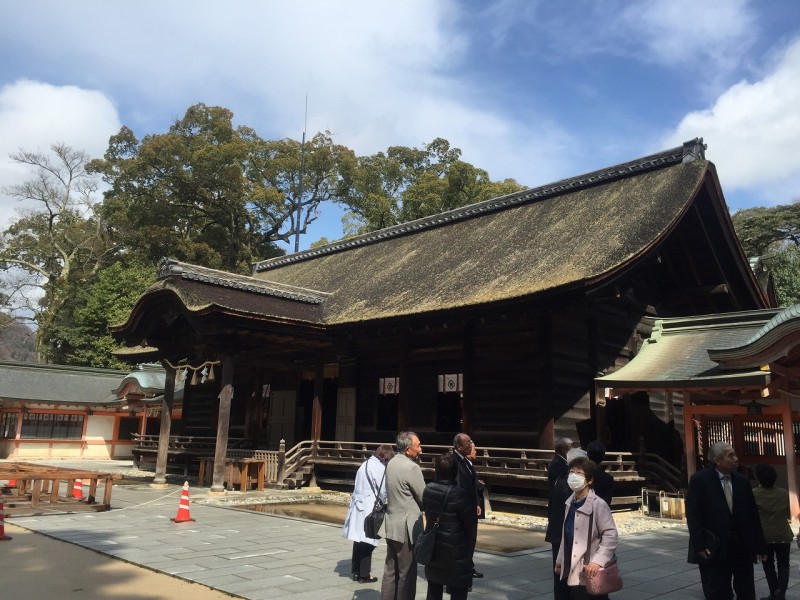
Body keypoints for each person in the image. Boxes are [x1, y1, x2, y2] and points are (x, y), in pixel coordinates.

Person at [686, 441, 766, 600]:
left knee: (746, 589)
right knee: (717, 590)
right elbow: (693, 515)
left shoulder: (742, 481)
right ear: (717, 461)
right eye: (731, 456)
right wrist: (699, 544)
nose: (736, 459)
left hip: (741, 545)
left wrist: (760, 545)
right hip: (714, 546)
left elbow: (752, 514)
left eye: (734, 454)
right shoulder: (700, 480)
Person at [554, 455, 619, 600]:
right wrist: (560, 560)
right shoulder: (570, 502)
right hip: (573, 565)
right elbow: (567, 534)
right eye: (571, 472)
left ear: (589, 480)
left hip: (590, 567)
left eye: (579, 473)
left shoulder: (598, 504)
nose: (573, 476)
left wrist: (598, 561)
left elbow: (611, 535)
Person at [422, 451, 476, 600]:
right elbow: (469, 524)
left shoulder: (428, 489)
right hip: (455, 548)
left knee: (434, 588)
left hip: (434, 546)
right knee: (458, 590)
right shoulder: (459, 494)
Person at [381, 431, 425, 600]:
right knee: (407, 572)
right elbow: (423, 496)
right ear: (408, 449)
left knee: (390, 570)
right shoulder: (412, 467)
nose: (420, 449)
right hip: (407, 527)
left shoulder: (391, 462)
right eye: (418, 446)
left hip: (391, 523)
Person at [342, 444, 395, 583]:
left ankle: (356, 571)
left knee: (359, 541)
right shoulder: (379, 468)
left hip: (359, 505)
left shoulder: (364, 464)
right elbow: (384, 490)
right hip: (370, 506)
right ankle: (364, 575)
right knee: (368, 541)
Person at [752, 463, 792, 600]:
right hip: (783, 534)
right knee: (784, 564)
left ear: (758, 478)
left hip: (765, 536)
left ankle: (774, 592)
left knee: (768, 564)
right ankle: (780, 593)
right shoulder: (784, 493)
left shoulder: (754, 494)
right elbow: (788, 514)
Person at [546, 437, 573, 600]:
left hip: (560, 520)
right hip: (559, 520)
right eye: (571, 447)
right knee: (560, 566)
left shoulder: (561, 463)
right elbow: (559, 491)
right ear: (564, 449)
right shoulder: (557, 464)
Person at [453, 433, 482, 579]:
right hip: (463, 509)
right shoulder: (455, 461)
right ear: (459, 446)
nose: (470, 445)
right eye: (467, 442)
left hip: (470, 507)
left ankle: (467, 568)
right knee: (463, 542)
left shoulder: (465, 461)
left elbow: (472, 485)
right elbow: (458, 488)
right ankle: (461, 573)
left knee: (470, 540)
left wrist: (476, 502)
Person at [586, 440, 613, 507]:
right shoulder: (607, 478)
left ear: (587, 454)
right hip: (599, 513)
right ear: (603, 457)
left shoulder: (579, 473)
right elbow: (606, 503)